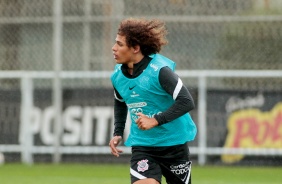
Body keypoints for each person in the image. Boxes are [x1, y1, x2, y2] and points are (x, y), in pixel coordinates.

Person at [109, 17, 197, 184]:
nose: (114, 48)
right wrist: (118, 132)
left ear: (135, 48)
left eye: (120, 44)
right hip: (143, 145)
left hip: (174, 144)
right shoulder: (117, 76)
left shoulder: (160, 71)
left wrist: (155, 120)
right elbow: (120, 101)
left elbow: (186, 101)